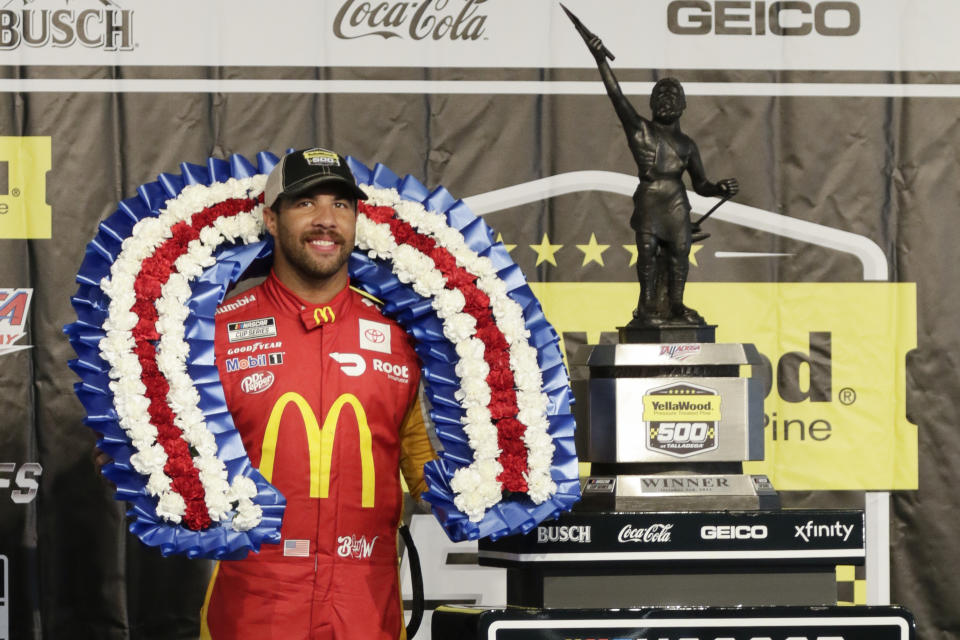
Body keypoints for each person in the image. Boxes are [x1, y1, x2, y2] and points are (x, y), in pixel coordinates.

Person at [198, 147, 437, 639]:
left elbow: (429, 474)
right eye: (306, 203)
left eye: (342, 205)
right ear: (270, 218)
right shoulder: (212, 335)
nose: (327, 220)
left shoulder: (405, 336)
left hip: (366, 606)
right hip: (254, 605)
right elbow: (165, 461)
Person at [587, 35, 739, 324]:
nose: (667, 102)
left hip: (676, 204)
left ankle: (677, 305)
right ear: (653, 104)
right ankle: (647, 306)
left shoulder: (687, 145)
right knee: (647, 251)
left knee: (680, 253)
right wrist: (600, 59)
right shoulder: (640, 131)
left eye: (673, 97)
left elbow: (701, 184)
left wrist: (719, 188)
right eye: (661, 97)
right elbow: (616, 96)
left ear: (682, 106)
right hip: (649, 199)